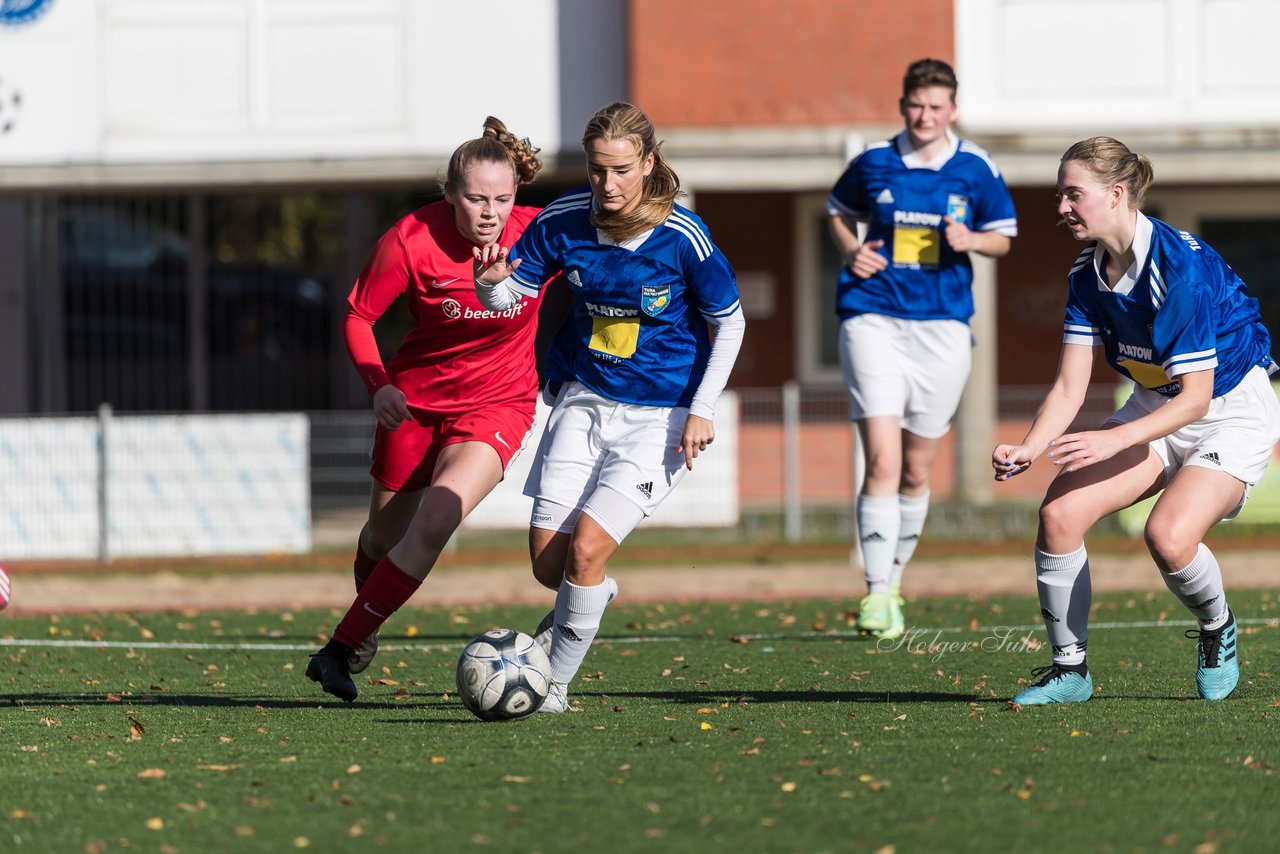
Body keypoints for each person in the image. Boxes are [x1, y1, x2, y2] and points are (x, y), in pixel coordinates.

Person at [473, 101, 745, 713]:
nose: (608, 185)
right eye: (598, 170)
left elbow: (730, 324)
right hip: (583, 402)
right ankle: (591, 595)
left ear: (648, 163)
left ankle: (553, 687)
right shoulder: (563, 218)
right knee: (552, 565)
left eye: (622, 170)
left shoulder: (683, 236)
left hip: (661, 417)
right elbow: (509, 296)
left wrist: (702, 409)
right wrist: (489, 283)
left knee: (587, 549)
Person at [993, 137, 1279, 705]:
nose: (1062, 207)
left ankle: (1217, 627)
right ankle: (1070, 672)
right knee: (1059, 515)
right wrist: (1030, 446)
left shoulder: (1182, 271)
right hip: (1156, 406)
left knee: (1168, 537)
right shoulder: (1085, 275)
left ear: (1117, 193)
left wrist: (1114, 438)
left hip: (1228, 412)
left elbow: (1196, 400)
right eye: (1060, 196)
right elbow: (1070, 386)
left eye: (1074, 194)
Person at [306, 117, 544, 702]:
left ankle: (340, 647)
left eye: (502, 198)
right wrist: (378, 386)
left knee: (436, 519)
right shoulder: (410, 238)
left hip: (499, 403)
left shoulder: (540, 234)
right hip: (413, 407)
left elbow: (615, 244)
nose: (490, 211)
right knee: (383, 536)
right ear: (449, 193)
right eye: (475, 197)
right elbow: (358, 317)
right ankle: (365, 631)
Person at [826, 58, 1018, 640]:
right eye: (916, 105)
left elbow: (1004, 238)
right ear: (903, 105)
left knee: (916, 467)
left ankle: (895, 580)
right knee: (883, 459)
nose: (925, 116)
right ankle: (876, 595)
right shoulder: (874, 162)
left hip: (943, 328)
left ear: (952, 110)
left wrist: (973, 239)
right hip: (873, 316)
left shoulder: (975, 166)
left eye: (937, 107)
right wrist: (850, 251)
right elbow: (838, 212)